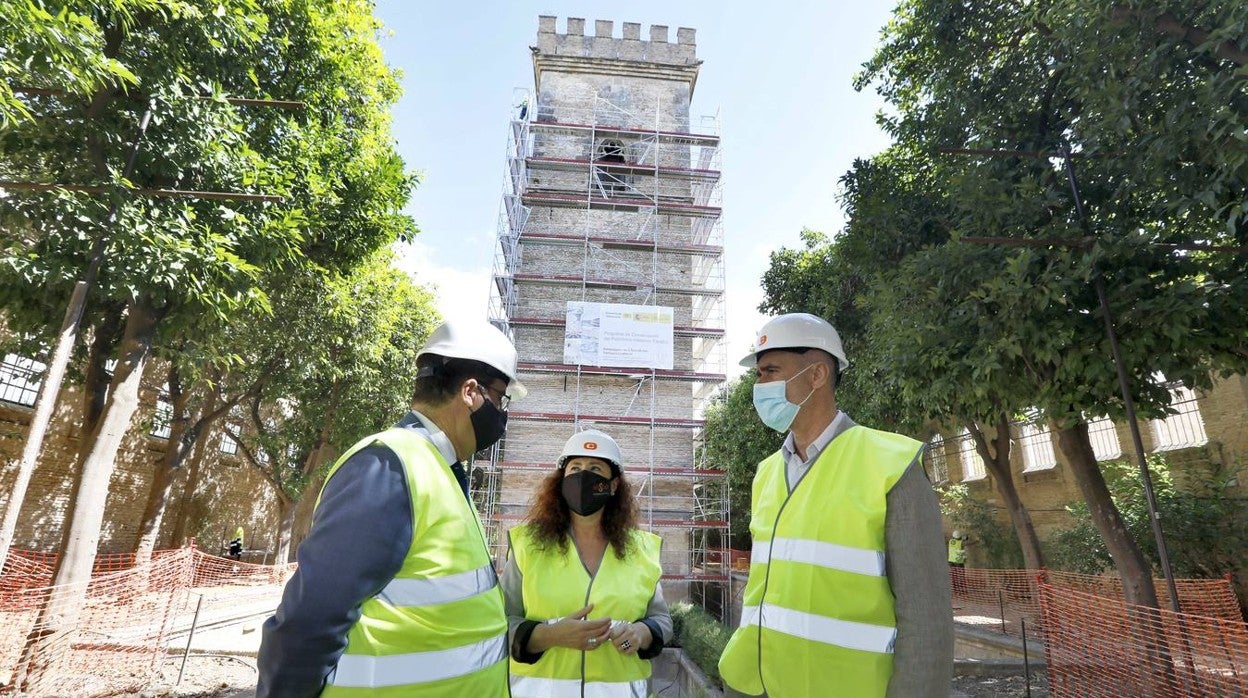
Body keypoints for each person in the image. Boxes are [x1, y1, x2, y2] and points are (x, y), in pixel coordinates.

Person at [256, 320, 527, 697]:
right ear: (470, 392)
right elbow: (309, 621)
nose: (502, 413)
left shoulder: (439, 470)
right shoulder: (387, 466)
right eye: (500, 398)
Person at [719, 313, 953, 698]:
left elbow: (926, 620)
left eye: (770, 371)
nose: (760, 386)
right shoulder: (765, 473)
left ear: (817, 374)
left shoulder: (892, 465)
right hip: (754, 686)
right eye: (758, 375)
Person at [503, 429, 672, 697]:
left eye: (595, 468)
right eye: (575, 468)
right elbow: (500, 622)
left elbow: (661, 619)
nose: (583, 476)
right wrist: (550, 635)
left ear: (613, 485)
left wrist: (641, 633)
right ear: (562, 480)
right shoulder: (528, 545)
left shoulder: (642, 550)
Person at [948, 530, 968, 596]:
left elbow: (957, 539)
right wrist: (966, 538)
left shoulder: (950, 541)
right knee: (961, 576)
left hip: (951, 561)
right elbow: (962, 541)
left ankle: (956, 591)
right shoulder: (961, 543)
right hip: (959, 562)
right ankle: (962, 591)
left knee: (954, 576)